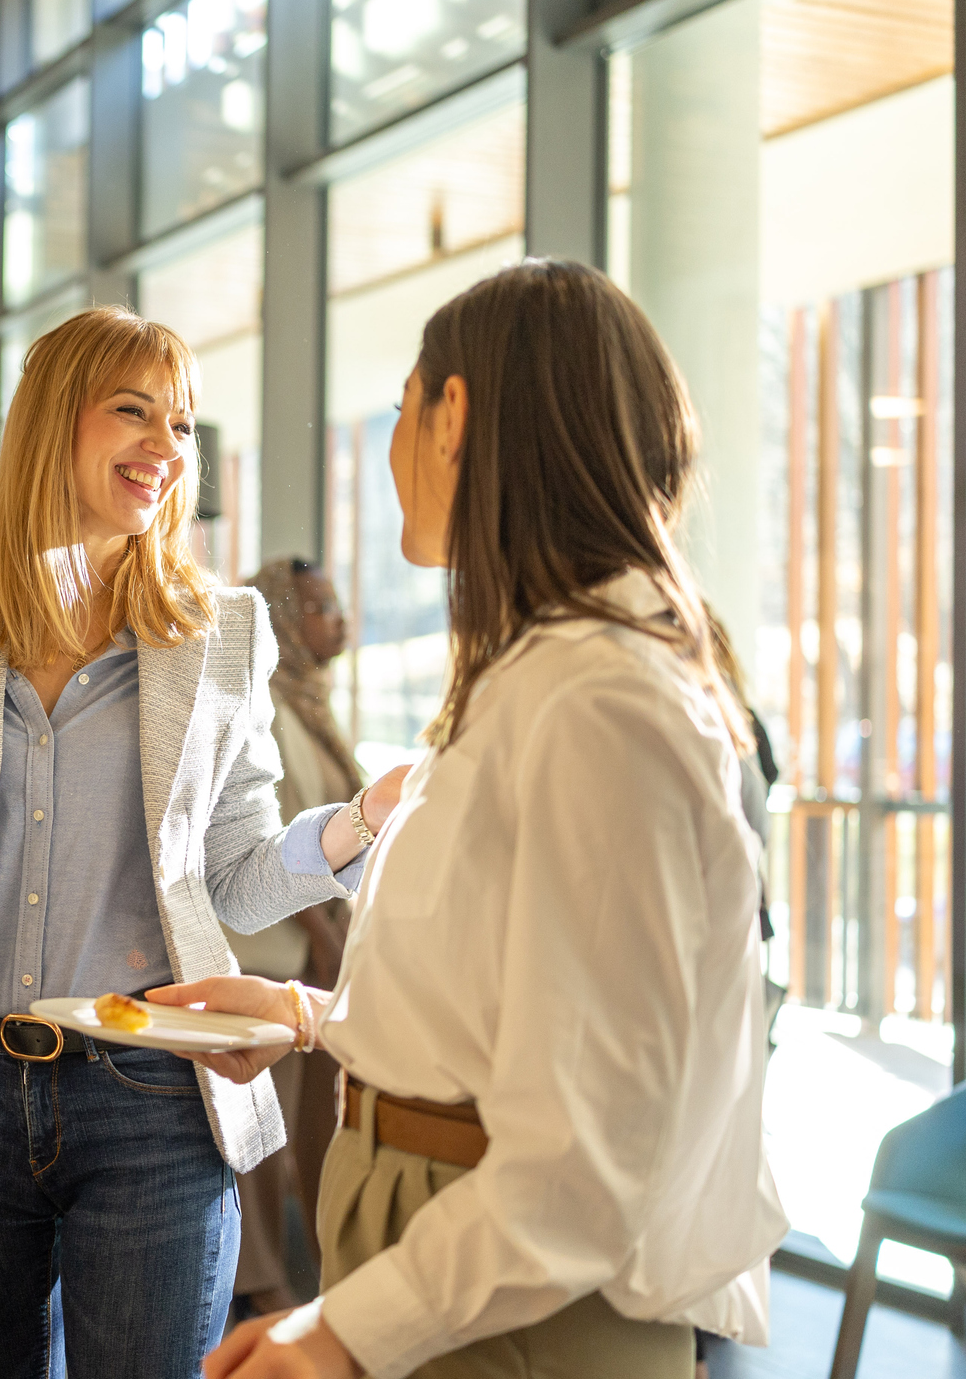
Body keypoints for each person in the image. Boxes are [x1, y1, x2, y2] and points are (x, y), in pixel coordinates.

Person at [162, 260, 787, 1379]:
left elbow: (590, 1153)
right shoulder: (539, 667)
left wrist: (344, 1332)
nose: (392, 446)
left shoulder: (599, 699)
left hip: (507, 1297)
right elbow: (516, 1011)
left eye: (401, 408)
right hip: (464, 1258)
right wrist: (312, 1016)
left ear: (452, 416)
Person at [0, 306, 403, 1379]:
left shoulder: (221, 630)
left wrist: (360, 822)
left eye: (182, 425)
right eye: (134, 411)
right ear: (54, 421)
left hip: (155, 1096)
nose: (166, 447)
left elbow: (232, 878)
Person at [229, 557, 363, 1318]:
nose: (337, 620)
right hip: (268, 951)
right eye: (319, 606)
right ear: (281, 614)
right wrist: (319, 929)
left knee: (305, 1128)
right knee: (259, 1132)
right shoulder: (265, 704)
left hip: (313, 951)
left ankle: (299, 1272)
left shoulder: (310, 701)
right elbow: (268, 833)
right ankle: (259, 1283)